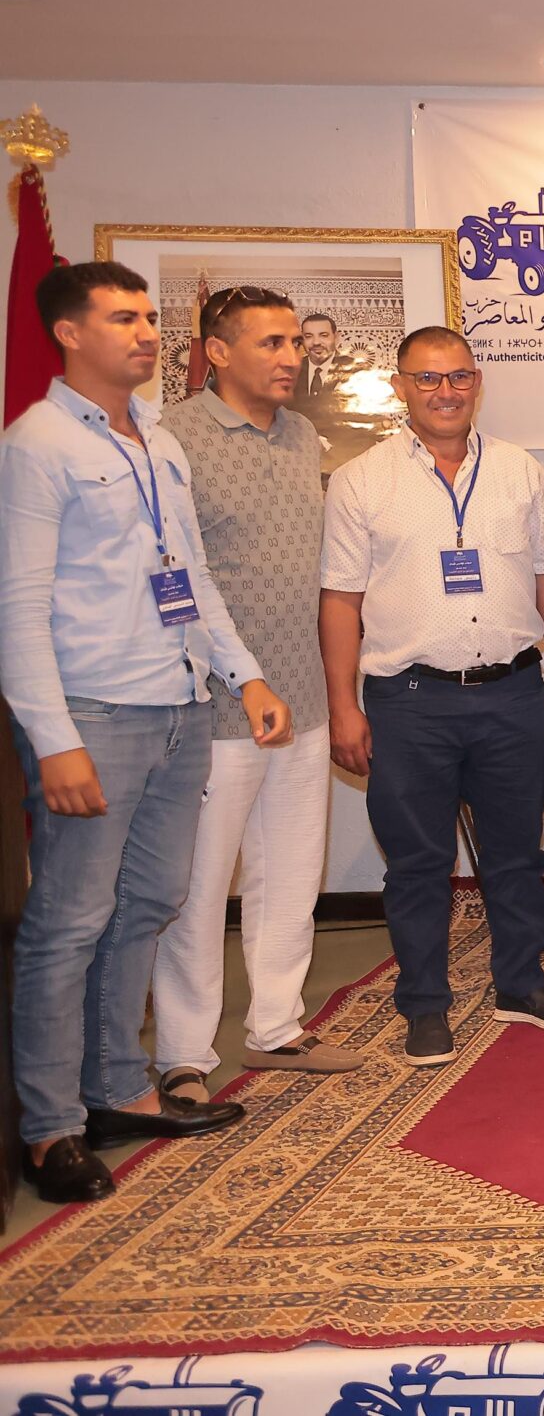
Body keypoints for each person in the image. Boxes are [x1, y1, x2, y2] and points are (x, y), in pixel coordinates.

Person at [2, 262, 287, 1203]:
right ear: (69, 333)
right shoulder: (37, 445)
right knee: (69, 922)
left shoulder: (156, 441)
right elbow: (17, 607)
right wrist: (54, 739)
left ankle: (118, 1090)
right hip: (93, 713)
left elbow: (190, 577)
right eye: (123, 318)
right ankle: (48, 1130)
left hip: (180, 705)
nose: (146, 334)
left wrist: (244, 675)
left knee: (148, 905)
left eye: (149, 318)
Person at [321, 327, 544, 1067]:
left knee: (516, 853)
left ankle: (521, 986)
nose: (446, 392)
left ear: (477, 382)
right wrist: (343, 706)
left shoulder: (520, 471)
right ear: (400, 386)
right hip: (409, 701)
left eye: (459, 377)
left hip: (512, 692)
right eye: (428, 378)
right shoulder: (362, 481)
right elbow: (340, 599)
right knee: (417, 862)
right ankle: (425, 1006)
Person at [152, 287, 359, 1103]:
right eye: (271, 343)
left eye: (295, 343)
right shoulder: (172, 438)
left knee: (291, 874)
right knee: (200, 886)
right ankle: (184, 1054)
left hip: (303, 696)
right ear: (216, 352)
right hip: (216, 705)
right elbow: (178, 579)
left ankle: (276, 1027)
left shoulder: (302, 434)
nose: (290, 357)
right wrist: (242, 678)